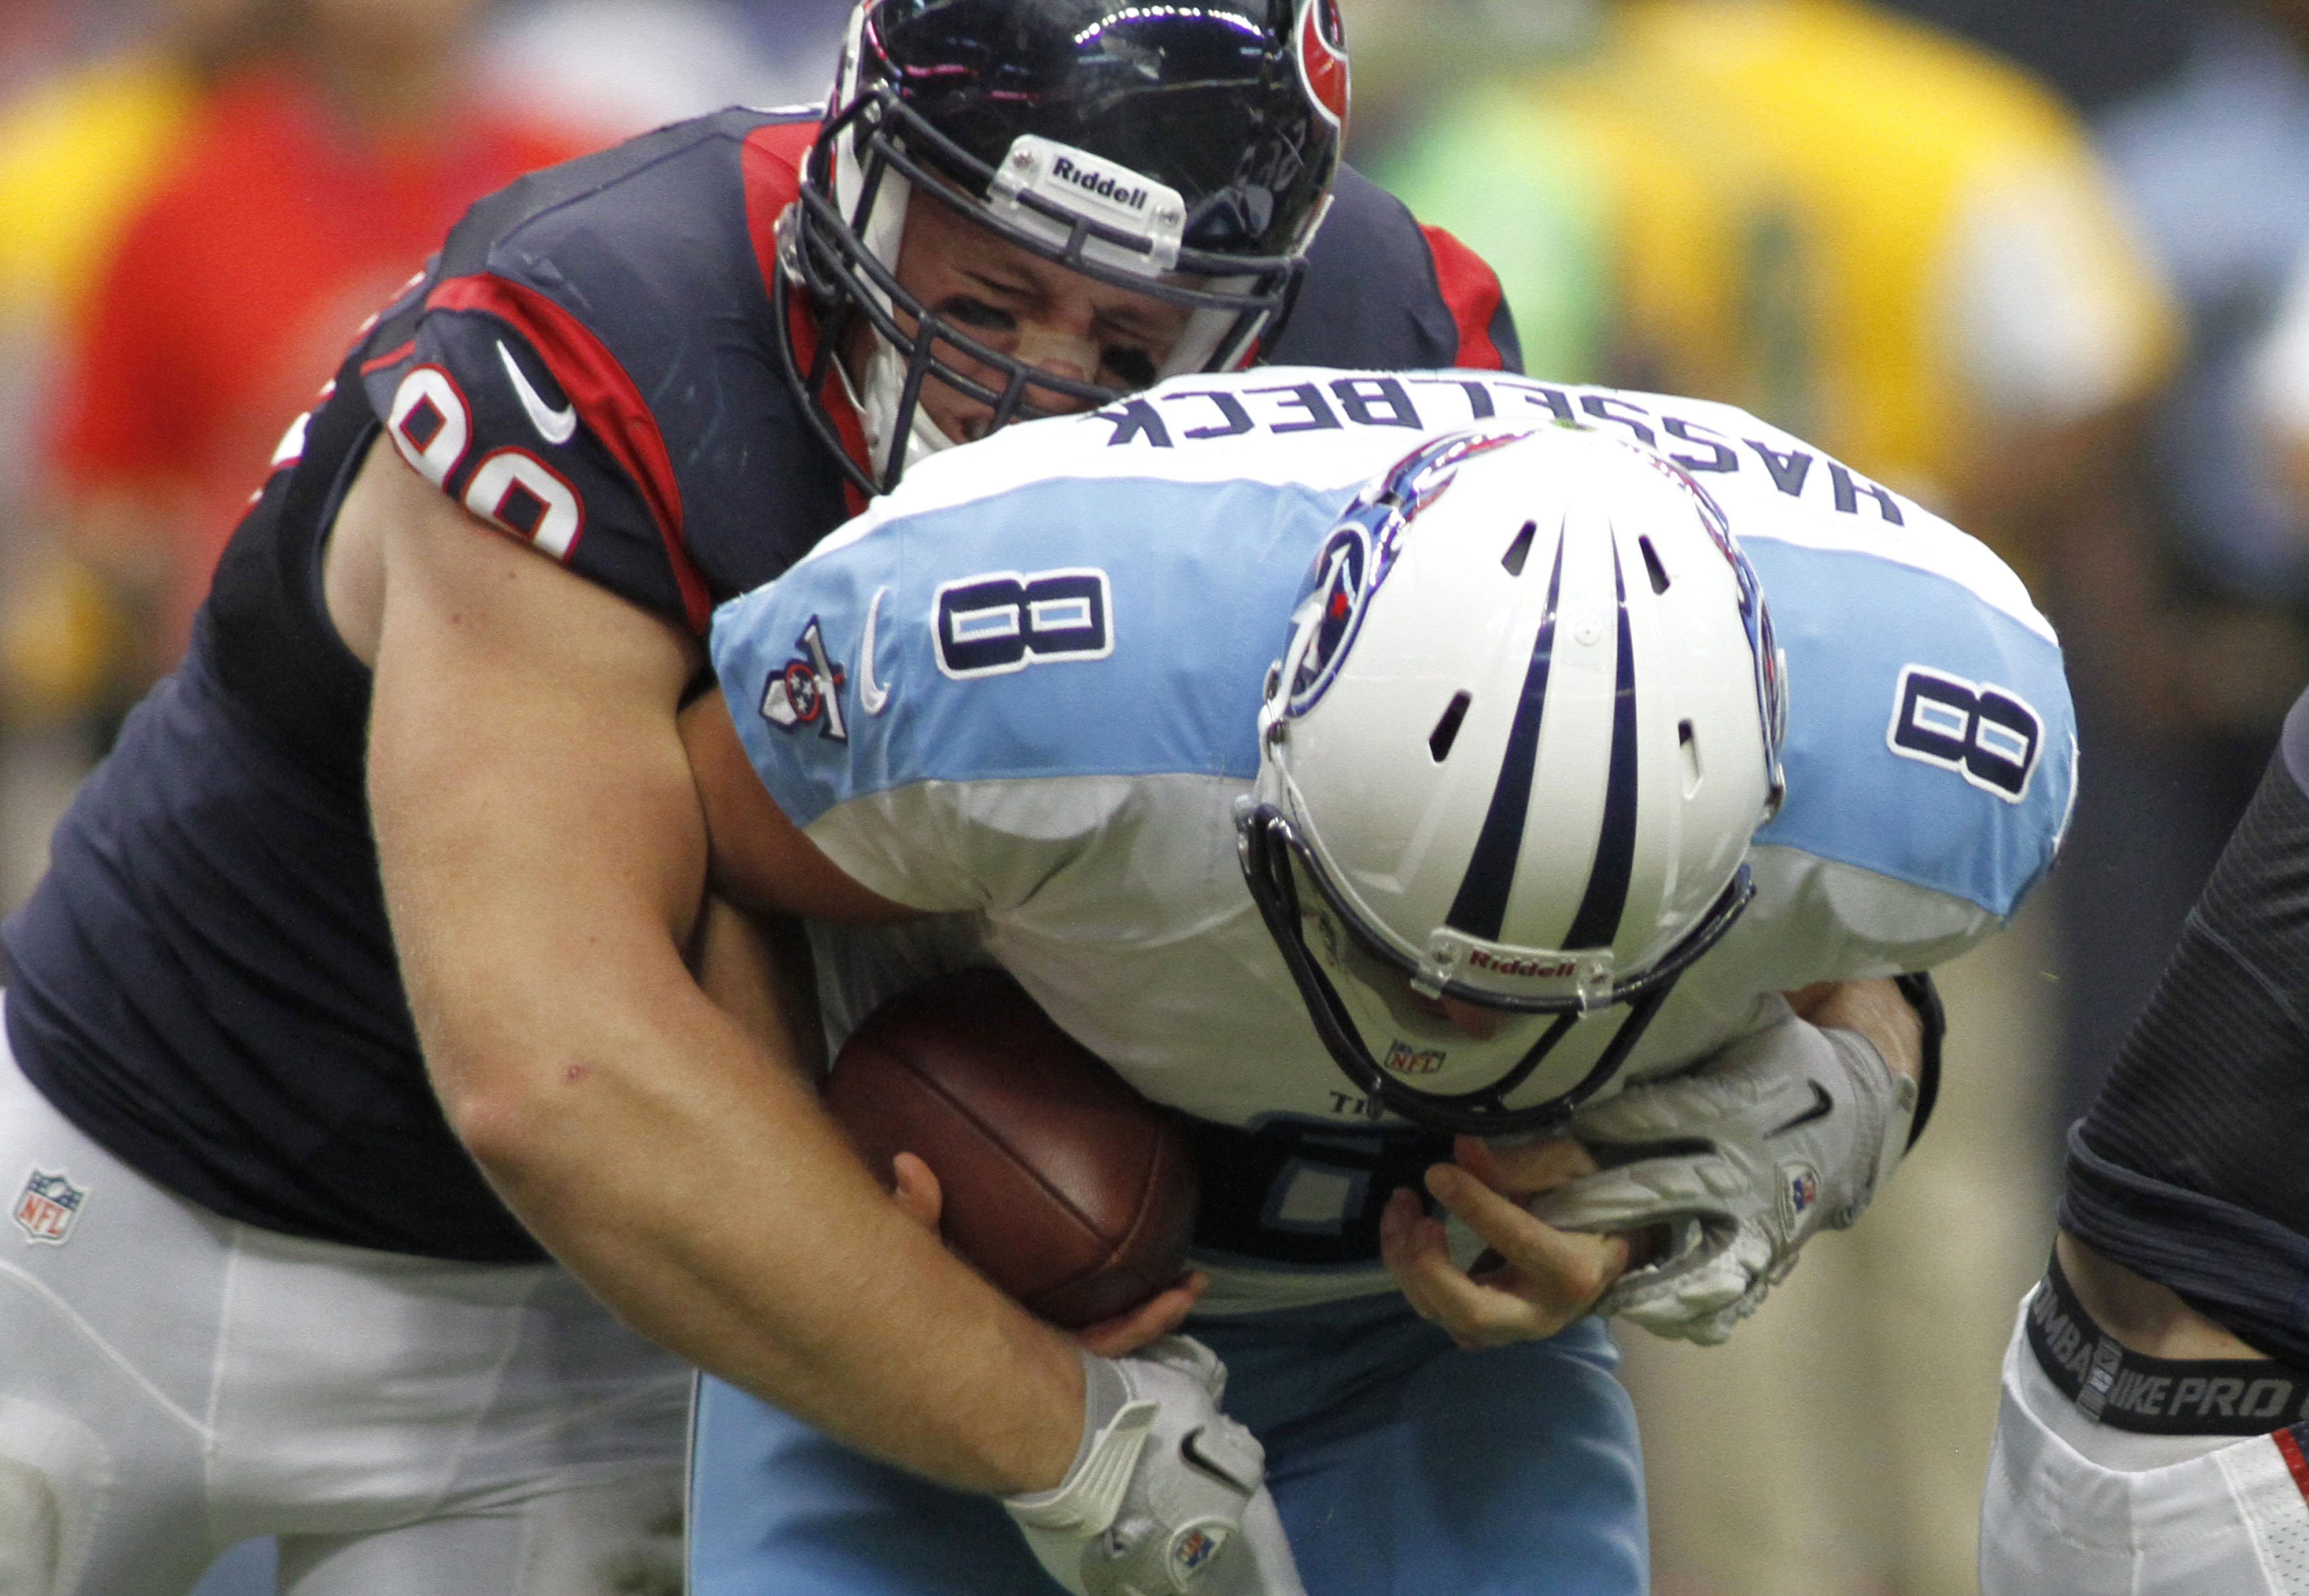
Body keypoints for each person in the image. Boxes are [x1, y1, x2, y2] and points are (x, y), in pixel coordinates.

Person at [0, 0, 1518, 1588]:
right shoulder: (608, 327)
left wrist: (1733, 1101)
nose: (1043, 385)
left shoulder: (1385, 332)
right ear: (865, 177)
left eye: (1135, 337)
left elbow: (1646, 717)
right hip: (130, 1190)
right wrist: (1074, 1437)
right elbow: (558, 1071)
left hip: (600, 1326)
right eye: (993, 294)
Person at [674, 367, 2076, 1594]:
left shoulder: (1928, 758)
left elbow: (1871, 991)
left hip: (1435, 1349)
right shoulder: (1029, 665)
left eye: (1547, 995)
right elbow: (701, 861)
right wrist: (844, 1248)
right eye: (1408, 958)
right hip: (973, 1303)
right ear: (1272, 743)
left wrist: (1822, 1126)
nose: (1468, 1028)